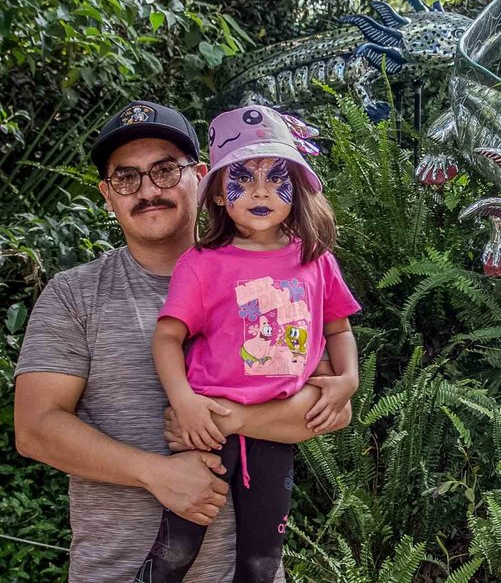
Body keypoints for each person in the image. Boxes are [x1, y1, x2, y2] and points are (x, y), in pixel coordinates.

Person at [14, 101, 352, 582]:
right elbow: (35, 429)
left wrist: (232, 418)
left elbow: (330, 405)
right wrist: (158, 474)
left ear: (201, 176)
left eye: (165, 171)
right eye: (127, 178)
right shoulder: (75, 294)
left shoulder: (285, 277)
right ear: (108, 195)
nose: (148, 190)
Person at [135, 105, 360, 583]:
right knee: (176, 551)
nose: (260, 190)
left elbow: (338, 329)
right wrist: (185, 402)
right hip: (208, 430)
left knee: (261, 562)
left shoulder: (316, 260)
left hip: (277, 433)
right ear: (217, 192)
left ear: (296, 186)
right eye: (243, 176)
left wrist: (348, 380)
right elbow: (167, 338)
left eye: (275, 176)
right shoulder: (201, 265)